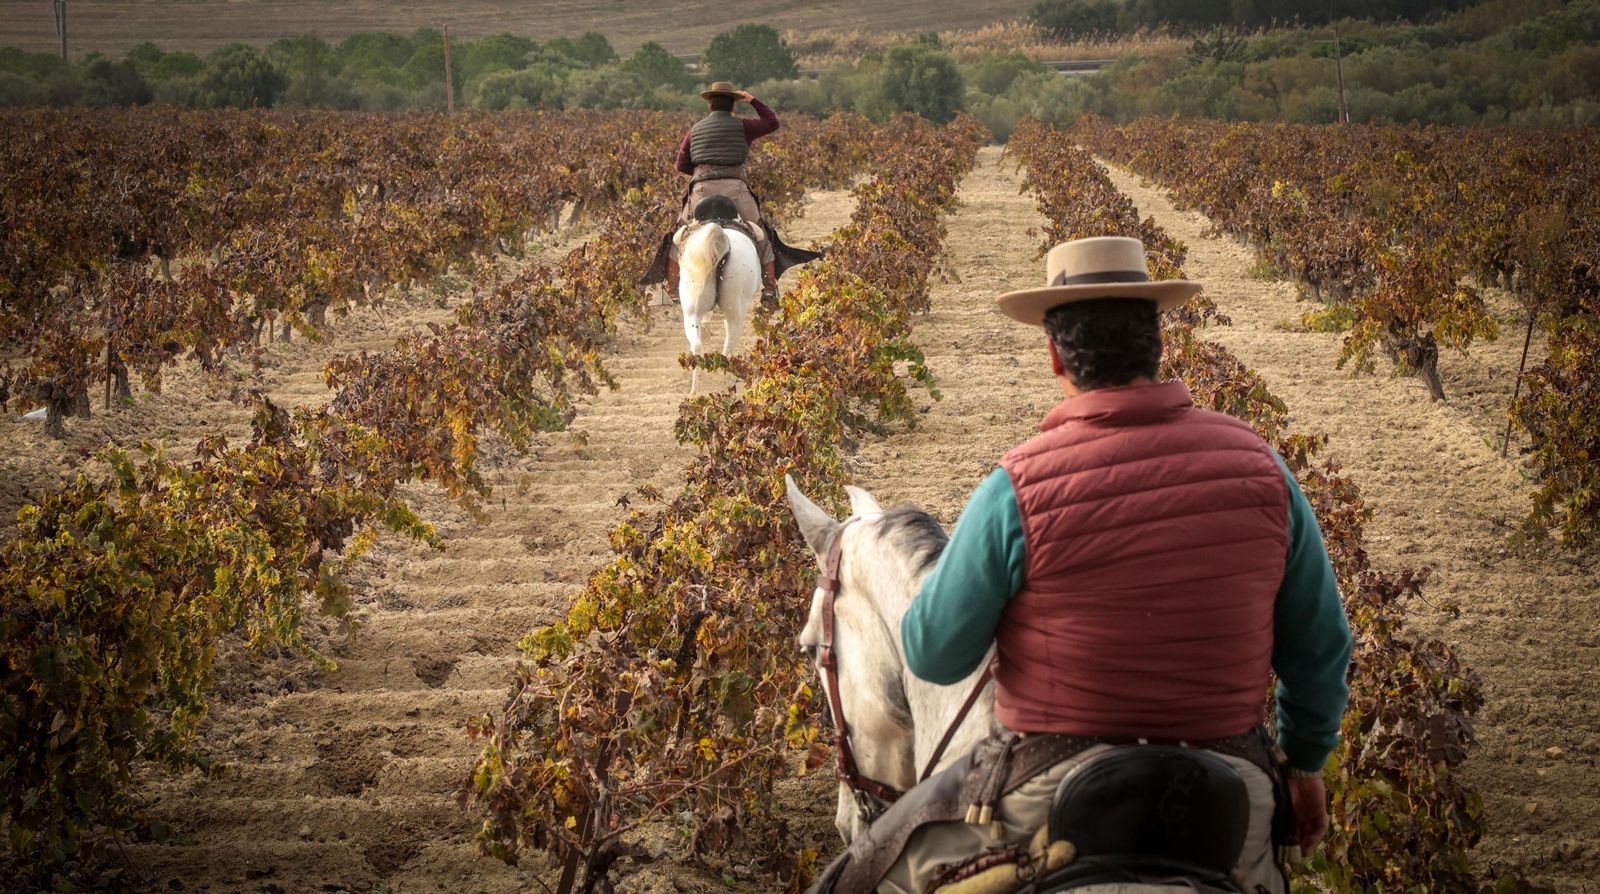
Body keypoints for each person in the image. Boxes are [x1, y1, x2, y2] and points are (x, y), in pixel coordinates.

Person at [817, 236, 1354, 894]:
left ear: (1054, 355)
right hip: (1229, 795)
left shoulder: (1018, 486)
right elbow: (1322, 644)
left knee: (861, 877)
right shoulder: (1263, 469)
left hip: (1048, 792)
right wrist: (1305, 764)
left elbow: (933, 655)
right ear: (1157, 343)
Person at [668, 81, 780, 304]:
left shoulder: (695, 130)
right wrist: (753, 101)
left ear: (710, 105)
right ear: (733, 106)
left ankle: (671, 286)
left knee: (679, 233)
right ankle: (770, 287)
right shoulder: (743, 126)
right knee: (760, 231)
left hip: (702, 189)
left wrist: (703, 173)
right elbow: (772, 122)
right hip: (735, 188)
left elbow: (681, 164)